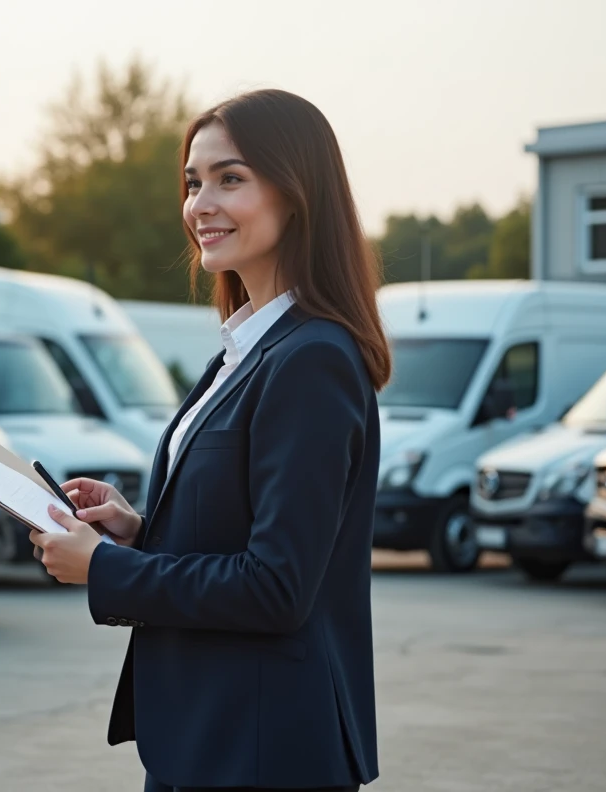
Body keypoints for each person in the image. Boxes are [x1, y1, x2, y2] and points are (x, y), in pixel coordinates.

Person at [29, 88, 392, 792]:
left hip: (261, 751)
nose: (200, 204)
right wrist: (139, 532)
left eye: (231, 179)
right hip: (206, 738)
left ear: (297, 193)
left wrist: (105, 569)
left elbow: (278, 586)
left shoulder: (311, 359)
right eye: (194, 182)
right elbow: (243, 531)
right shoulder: (246, 349)